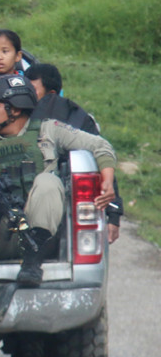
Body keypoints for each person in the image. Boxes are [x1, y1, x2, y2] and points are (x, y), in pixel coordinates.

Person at [0, 75, 116, 322]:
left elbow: (100, 146)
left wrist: (107, 180)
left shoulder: (49, 130)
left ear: (14, 110)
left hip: (38, 239)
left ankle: (32, 264)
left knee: (47, 181)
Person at [27, 63, 122, 243]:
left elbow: (101, 156)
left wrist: (114, 214)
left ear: (52, 95)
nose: (26, 97)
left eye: (32, 91)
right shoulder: (12, 117)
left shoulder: (77, 120)